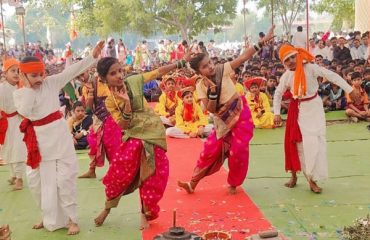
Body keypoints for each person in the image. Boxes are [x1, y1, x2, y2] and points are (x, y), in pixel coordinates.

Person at [13, 41, 104, 235]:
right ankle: (47, 216)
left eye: (40, 74)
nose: (39, 79)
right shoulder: (20, 94)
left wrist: (92, 57)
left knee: (64, 180)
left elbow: (71, 71)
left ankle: (72, 219)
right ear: (23, 75)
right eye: (33, 75)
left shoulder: (51, 83)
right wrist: (28, 86)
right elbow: (26, 111)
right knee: (37, 182)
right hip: (37, 141)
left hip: (59, 137)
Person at [177, 25, 275, 195]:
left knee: (238, 150)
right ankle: (192, 183)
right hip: (221, 120)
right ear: (198, 71)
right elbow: (209, 109)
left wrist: (262, 42)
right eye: (205, 66)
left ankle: (234, 183)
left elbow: (244, 57)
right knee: (210, 150)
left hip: (240, 112)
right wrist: (213, 94)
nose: (211, 67)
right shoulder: (200, 86)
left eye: (210, 63)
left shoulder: (222, 69)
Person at [93, 57, 188, 230]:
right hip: (134, 134)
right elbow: (123, 124)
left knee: (153, 174)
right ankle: (107, 209)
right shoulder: (110, 101)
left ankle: (144, 213)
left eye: (120, 71)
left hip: (153, 131)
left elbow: (157, 72)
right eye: (113, 73)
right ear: (104, 78)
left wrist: (181, 63)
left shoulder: (134, 81)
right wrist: (128, 105)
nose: (119, 76)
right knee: (119, 172)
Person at [273, 44, 359, 194]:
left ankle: (312, 178)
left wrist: (350, 89)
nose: (291, 61)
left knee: (315, 144)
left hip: (314, 107)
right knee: (295, 143)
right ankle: (298, 176)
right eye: (287, 60)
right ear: (283, 63)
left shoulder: (310, 68)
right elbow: (278, 94)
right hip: (297, 110)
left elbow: (331, 76)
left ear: (298, 55)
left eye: (293, 57)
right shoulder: (286, 76)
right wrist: (276, 113)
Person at [0, 58, 27, 190]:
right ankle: (14, 175)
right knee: (9, 149)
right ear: (5, 73)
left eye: (18, 71)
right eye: (13, 71)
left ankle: (20, 178)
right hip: (5, 122)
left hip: (19, 122)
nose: (16, 73)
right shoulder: (1, 88)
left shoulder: (22, 87)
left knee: (18, 149)